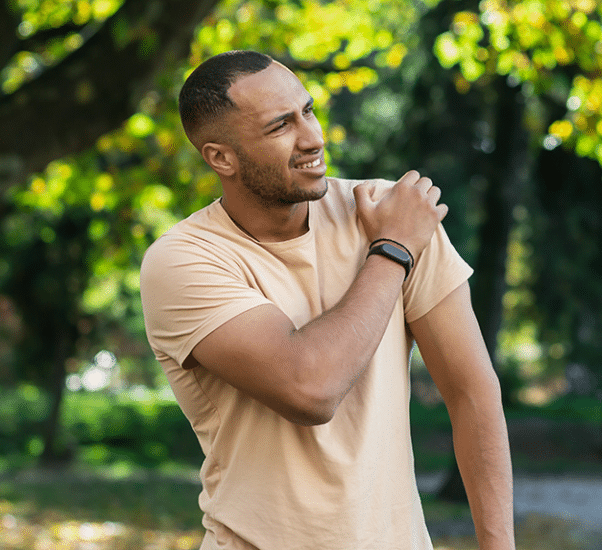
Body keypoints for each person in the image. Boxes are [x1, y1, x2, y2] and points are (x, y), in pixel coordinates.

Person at [140, 50, 514, 550]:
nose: (313, 138)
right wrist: (392, 251)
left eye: (309, 111)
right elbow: (310, 389)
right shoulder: (184, 261)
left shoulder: (390, 210)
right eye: (280, 127)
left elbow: (472, 393)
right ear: (220, 157)